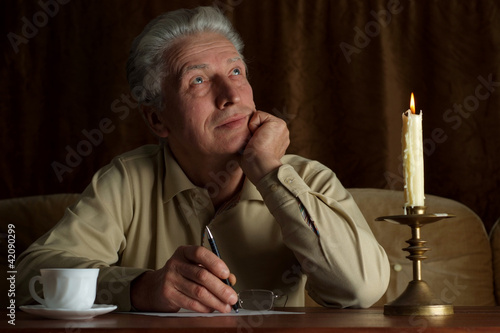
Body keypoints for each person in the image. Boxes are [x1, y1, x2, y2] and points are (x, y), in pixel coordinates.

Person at [16, 6, 390, 313]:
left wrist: (268, 173)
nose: (231, 95)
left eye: (236, 71)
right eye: (197, 80)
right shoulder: (127, 180)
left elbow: (360, 290)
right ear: (157, 119)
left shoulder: (308, 179)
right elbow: (28, 277)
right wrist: (141, 288)